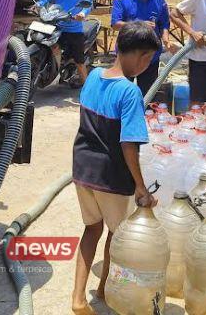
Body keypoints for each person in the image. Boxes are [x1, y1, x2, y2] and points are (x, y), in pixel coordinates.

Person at [71, 21, 158, 315]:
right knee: (116, 235)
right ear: (137, 56)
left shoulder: (94, 76)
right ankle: (104, 289)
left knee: (91, 229)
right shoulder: (130, 92)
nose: (147, 65)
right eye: (147, 59)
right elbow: (128, 146)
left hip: (82, 169)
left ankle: (78, 298)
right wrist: (141, 186)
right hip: (111, 177)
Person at [111, 0, 171, 96]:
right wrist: (139, 25)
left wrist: (166, 39)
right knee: (123, 95)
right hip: (127, 56)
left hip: (150, 57)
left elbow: (164, 23)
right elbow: (115, 24)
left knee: (148, 97)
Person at [35, 0, 93, 86]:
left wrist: (83, 14)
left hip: (73, 27)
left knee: (79, 61)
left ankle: (88, 91)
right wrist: (37, 5)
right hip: (56, 24)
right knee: (48, 44)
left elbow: (88, 3)